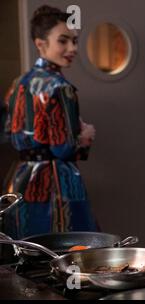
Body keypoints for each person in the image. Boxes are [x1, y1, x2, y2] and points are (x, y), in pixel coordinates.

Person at [0, 5, 97, 239]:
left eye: (74, 41)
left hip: (20, 178)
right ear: (40, 43)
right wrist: (84, 137)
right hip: (56, 183)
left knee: (23, 249)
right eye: (63, 41)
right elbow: (63, 148)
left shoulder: (18, 83)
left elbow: (6, 132)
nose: (72, 48)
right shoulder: (60, 87)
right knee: (67, 249)